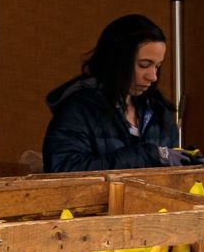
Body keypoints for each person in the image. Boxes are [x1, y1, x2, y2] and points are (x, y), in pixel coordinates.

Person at [42, 13, 187, 173]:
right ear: (116, 61)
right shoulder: (78, 111)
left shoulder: (158, 111)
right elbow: (63, 170)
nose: (153, 76)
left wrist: (186, 162)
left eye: (157, 66)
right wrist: (147, 155)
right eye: (144, 65)